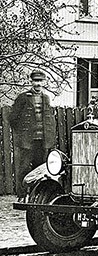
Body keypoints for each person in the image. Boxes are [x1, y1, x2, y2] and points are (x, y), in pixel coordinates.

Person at [9, 70, 57, 201]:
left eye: (40, 81)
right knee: (24, 168)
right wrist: (22, 133)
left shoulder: (46, 98)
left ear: (44, 82)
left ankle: (36, 196)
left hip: (43, 141)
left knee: (40, 169)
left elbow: (50, 119)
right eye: (35, 81)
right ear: (31, 82)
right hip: (27, 141)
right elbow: (12, 118)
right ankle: (22, 195)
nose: (38, 84)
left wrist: (51, 137)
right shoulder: (23, 98)